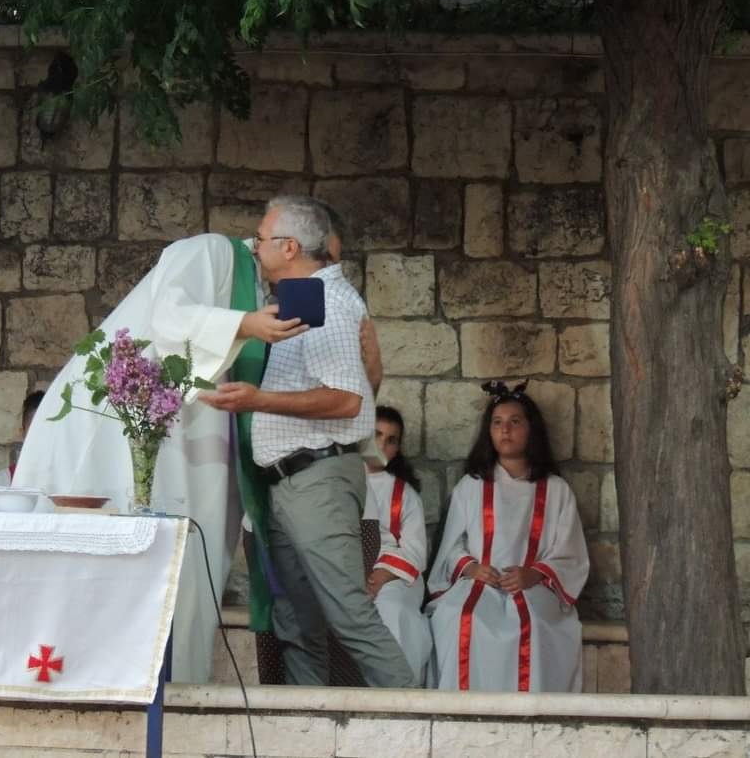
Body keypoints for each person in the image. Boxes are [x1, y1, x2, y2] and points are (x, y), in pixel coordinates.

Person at [10, 232, 305, 683]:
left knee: (184, 572)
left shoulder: (259, 289)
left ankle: (167, 682)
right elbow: (170, 316)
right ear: (290, 247)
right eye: (321, 260)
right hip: (111, 430)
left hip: (182, 436)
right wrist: (244, 324)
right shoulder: (213, 250)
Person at [201, 196, 416, 688]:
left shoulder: (327, 304)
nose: (253, 247)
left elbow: (347, 402)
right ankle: (307, 724)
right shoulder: (306, 300)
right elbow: (357, 387)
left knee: (350, 616)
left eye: (261, 238)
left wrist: (258, 399)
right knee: (297, 625)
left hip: (316, 478)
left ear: (290, 247)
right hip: (291, 481)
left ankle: (423, 722)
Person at [426, 380, 589, 692]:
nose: (505, 430)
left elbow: (570, 553)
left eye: (515, 422)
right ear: (488, 431)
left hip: (533, 587)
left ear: (531, 429)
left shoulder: (556, 490)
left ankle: (531, 712)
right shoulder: (472, 486)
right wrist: (471, 567)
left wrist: (534, 574)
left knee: (535, 626)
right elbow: (451, 545)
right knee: (461, 617)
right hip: (480, 581)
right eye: (497, 423)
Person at [362, 406, 431, 686]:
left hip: (394, 573)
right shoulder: (341, 480)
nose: (382, 445)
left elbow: (415, 551)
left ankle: (399, 689)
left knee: (392, 609)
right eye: (377, 435)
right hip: (349, 567)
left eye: (391, 440)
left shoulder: (405, 494)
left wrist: (380, 576)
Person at [0, 390, 45, 489]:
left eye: (51, 430)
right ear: (22, 433)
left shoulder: (70, 486)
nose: (44, 438)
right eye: (35, 431)